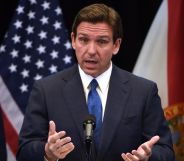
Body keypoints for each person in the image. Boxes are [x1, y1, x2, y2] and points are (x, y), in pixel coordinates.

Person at [16, 3, 175, 161]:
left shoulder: (143, 92)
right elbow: (24, 151)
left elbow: (166, 152)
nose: (91, 51)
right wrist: (46, 152)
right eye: (84, 40)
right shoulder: (46, 90)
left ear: (116, 45)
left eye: (101, 42)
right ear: (73, 40)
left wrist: (148, 157)